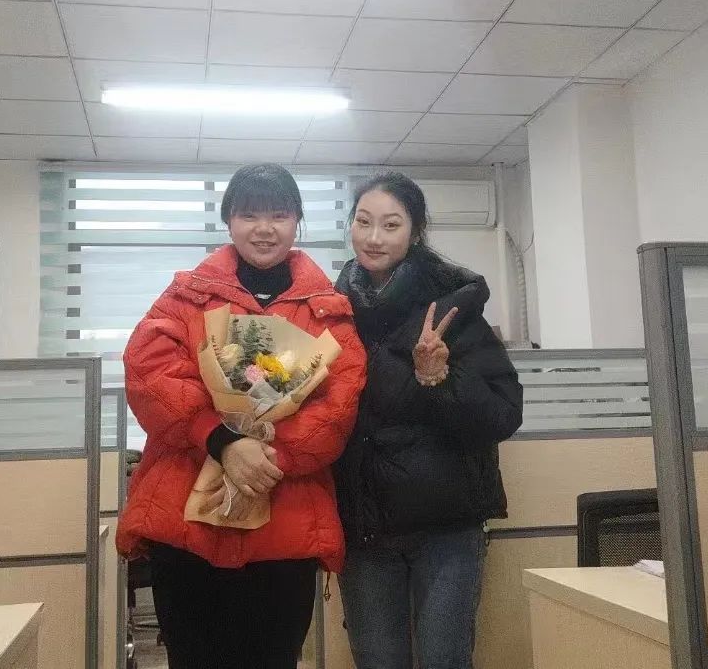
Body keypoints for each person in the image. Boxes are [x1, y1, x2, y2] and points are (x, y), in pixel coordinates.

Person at [116, 163, 367, 669]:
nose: (264, 229)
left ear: (297, 222)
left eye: (279, 215)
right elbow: (150, 372)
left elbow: (338, 405)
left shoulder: (327, 311)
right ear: (229, 221)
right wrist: (221, 440)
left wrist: (267, 457)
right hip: (187, 519)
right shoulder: (185, 297)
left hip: (284, 523)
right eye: (249, 215)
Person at [334, 171, 523, 669]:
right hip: (365, 527)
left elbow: (504, 414)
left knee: (445, 660)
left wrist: (439, 379)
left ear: (415, 232)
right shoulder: (333, 309)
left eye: (391, 224)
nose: (374, 237)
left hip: (445, 526)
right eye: (363, 222)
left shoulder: (452, 308)